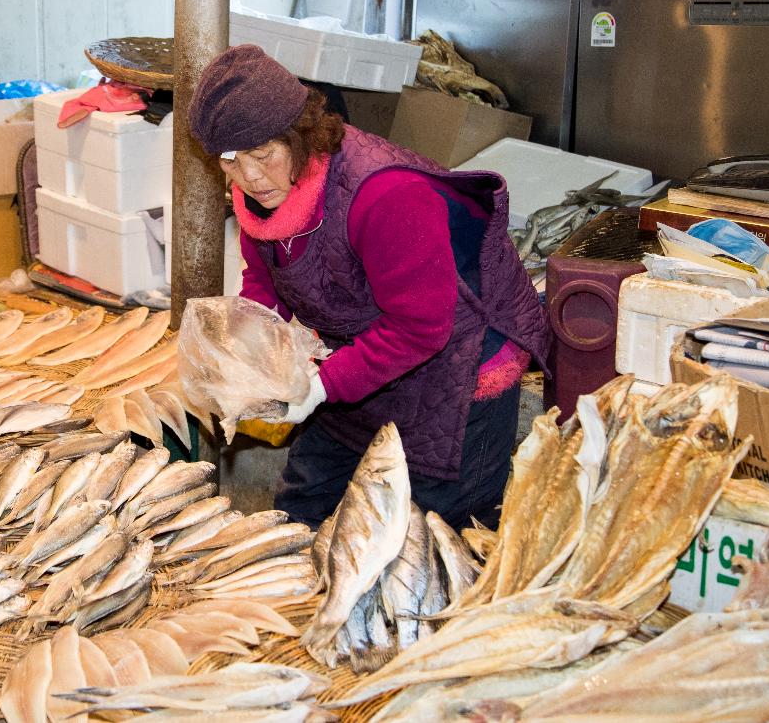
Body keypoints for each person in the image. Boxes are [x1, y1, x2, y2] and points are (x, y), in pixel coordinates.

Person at [188, 44, 550, 531]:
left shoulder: (385, 195)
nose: (250, 176)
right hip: (364, 353)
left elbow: (420, 329)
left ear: (301, 135)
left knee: (434, 535)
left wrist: (322, 386)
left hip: (457, 368)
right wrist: (243, 352)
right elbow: (263, 280)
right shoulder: (262, 191)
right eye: (229, 161)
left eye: (263, 153)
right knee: (299, 513)